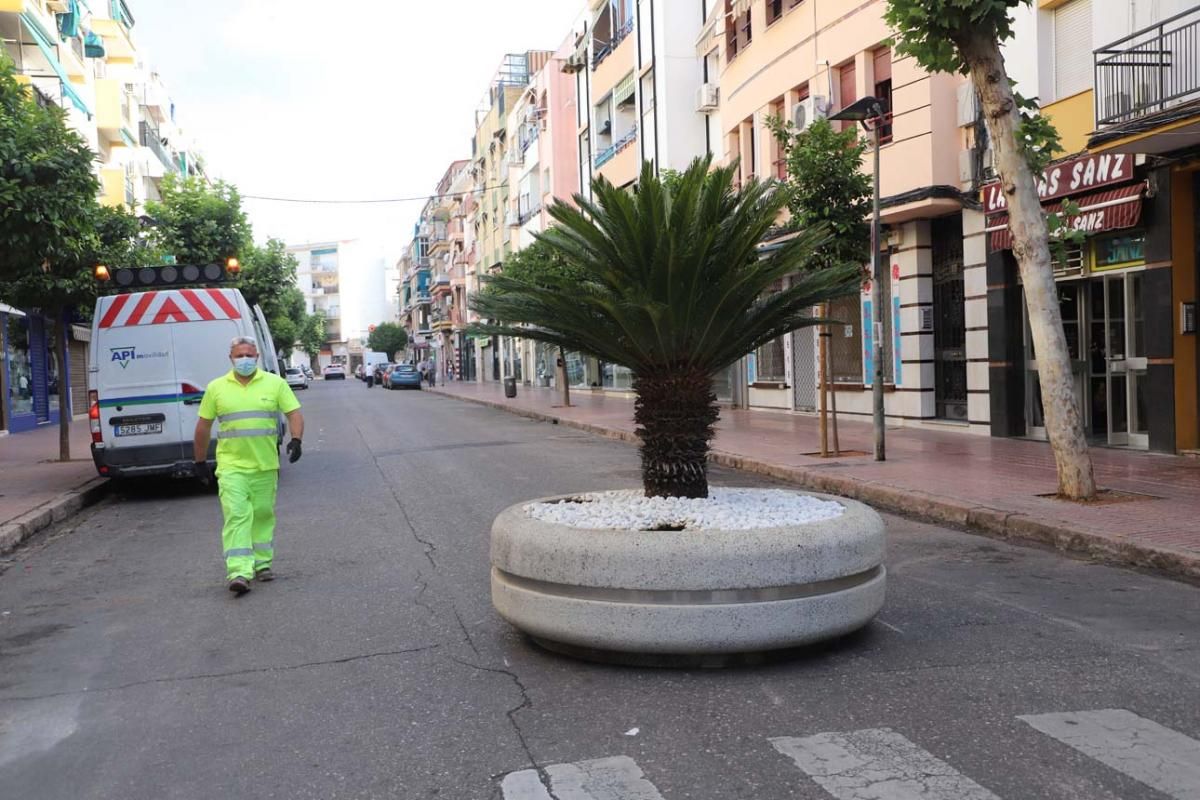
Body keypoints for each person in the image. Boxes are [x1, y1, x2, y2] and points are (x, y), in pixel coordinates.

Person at [193, 336, 304, 596]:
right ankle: (239, 571)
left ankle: (262, 564)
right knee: (237, 516)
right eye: (239, 355)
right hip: (232, 467)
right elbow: (203, 426)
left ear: (257, 357)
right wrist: (199, 461)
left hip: (265, 466)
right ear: (230, 358)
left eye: (248, 355)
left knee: (263, 514)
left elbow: (294, 414)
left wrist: (296, 439)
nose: (244, 359)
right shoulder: (216, 388)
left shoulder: (275, 384)